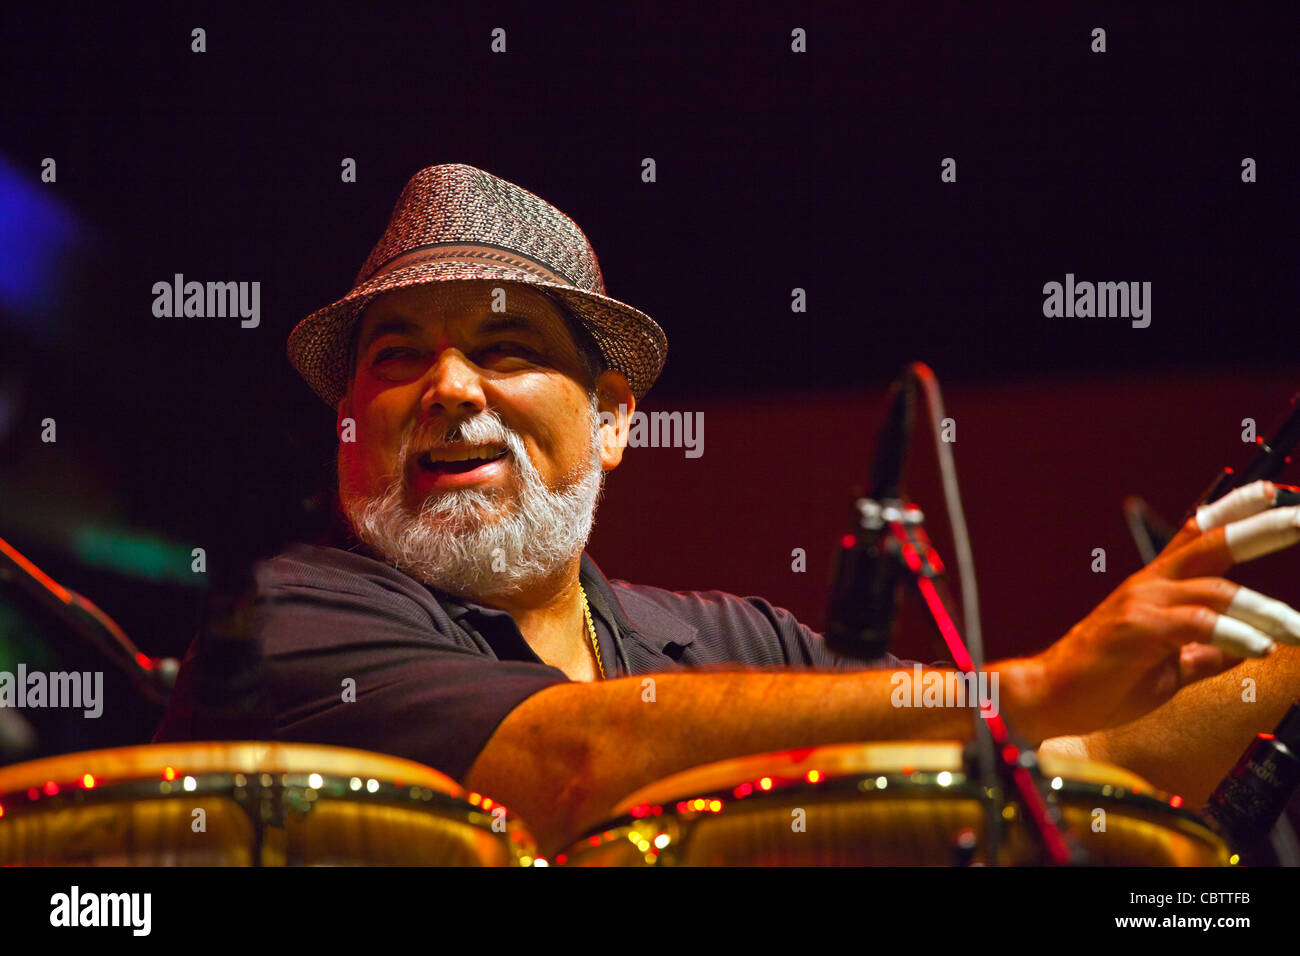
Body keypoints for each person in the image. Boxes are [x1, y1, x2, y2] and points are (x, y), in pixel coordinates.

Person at [154, 163, 1300, 855]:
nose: (448, 386)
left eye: (502, 346)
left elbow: (1078, 767)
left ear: (612, 418)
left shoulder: (733, 643)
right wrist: (1034, 683)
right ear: (352, 421)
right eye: (398, 359)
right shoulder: (293, 622)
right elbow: (572, 764)